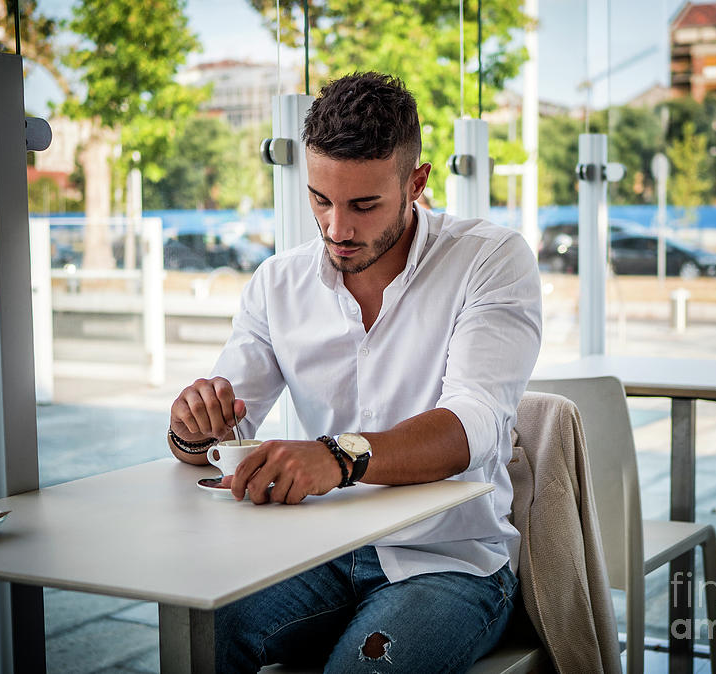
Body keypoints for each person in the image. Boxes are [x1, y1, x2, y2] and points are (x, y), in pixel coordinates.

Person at [168, 72, 542, 673]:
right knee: (198, 635)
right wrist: (192, 429)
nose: (337, 229)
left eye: (364, 205)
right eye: (321, 199)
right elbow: (224, 434)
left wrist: (338, 456)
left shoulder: (490, 261)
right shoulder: (278, 283)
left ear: (417, 183)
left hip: (448, 562)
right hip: (316, 552)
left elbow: (473, 426)